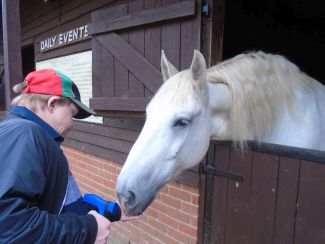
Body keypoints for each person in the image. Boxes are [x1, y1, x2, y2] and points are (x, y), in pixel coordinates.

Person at [0, 69, 135, 243]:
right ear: (52, 104)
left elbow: (58, 207)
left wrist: (111, 210)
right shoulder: (24, 135)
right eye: (72, 113)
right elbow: (11, 227)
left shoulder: (30, 136)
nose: (72, 123)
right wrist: (88, 229)